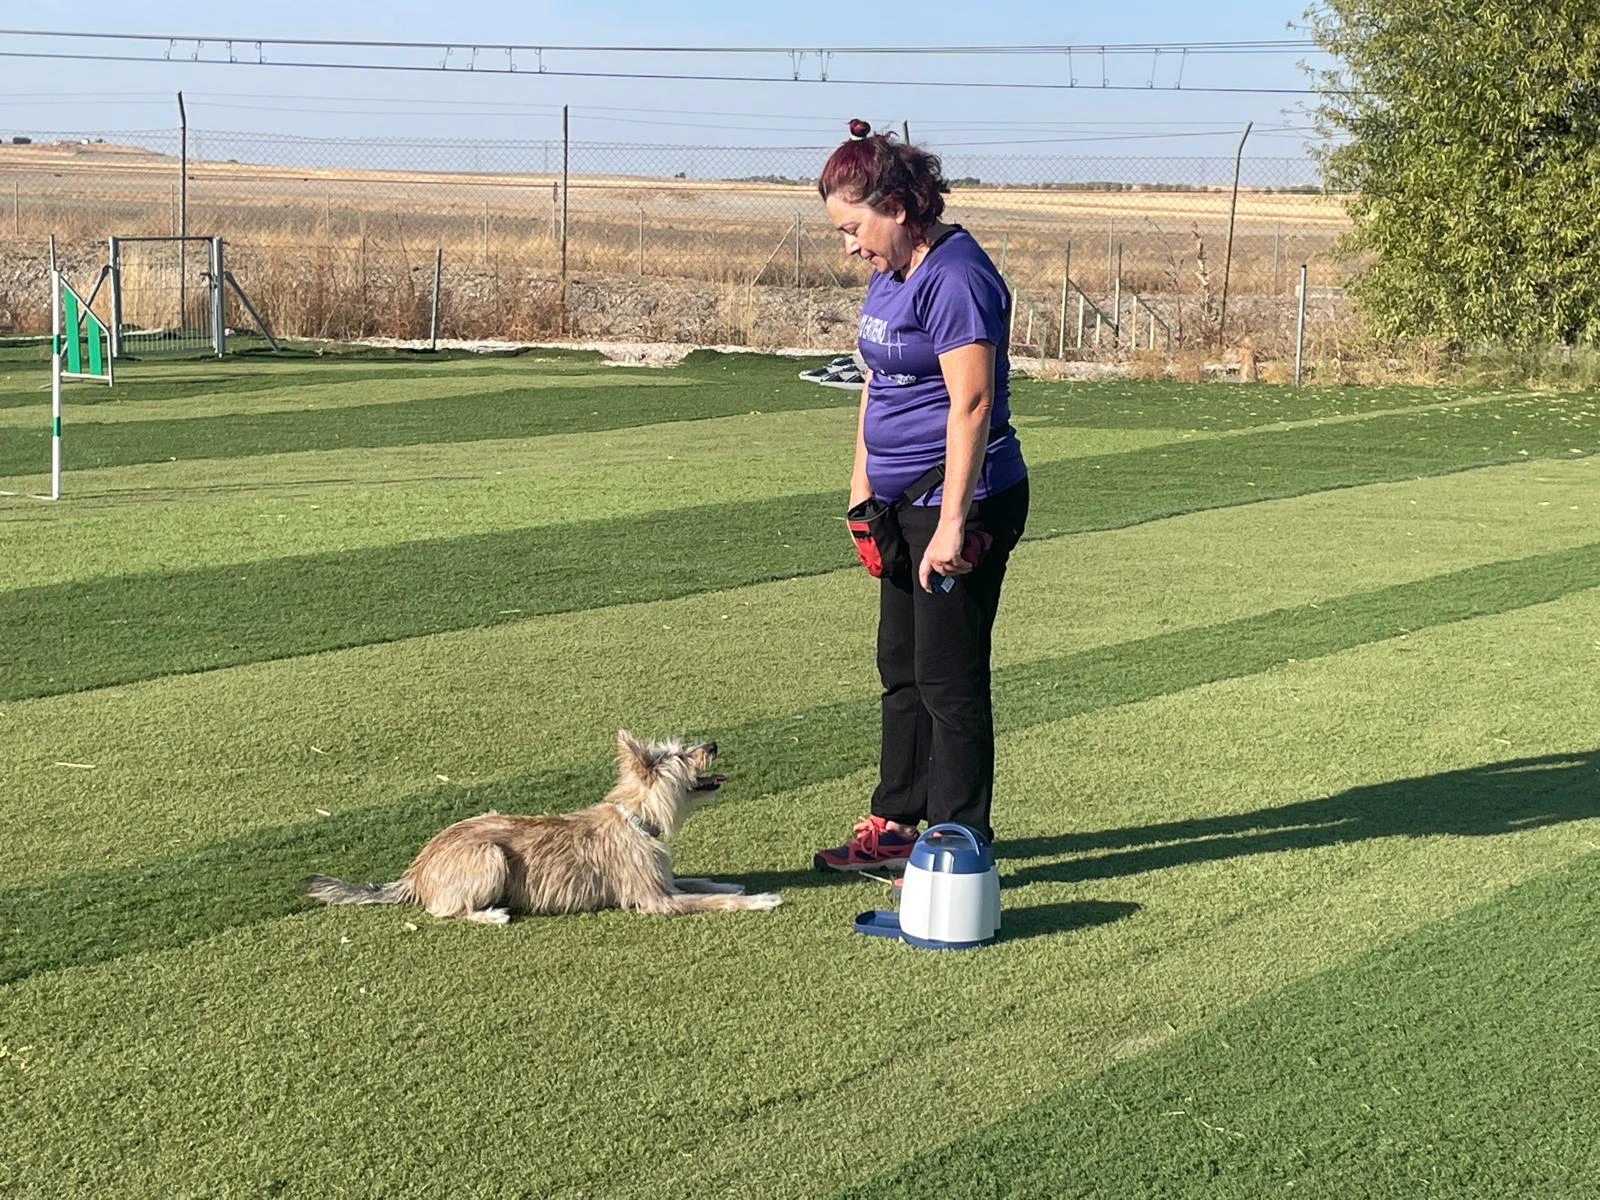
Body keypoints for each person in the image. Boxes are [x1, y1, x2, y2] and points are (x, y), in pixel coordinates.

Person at [813, 119, 1029, 872]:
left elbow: (970, 405)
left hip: (962, 500)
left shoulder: (958, 276)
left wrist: (953, 524)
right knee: (900, 664)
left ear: (897, 207)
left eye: (853, 227)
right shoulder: (892, 271)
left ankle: (961, 835)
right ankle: (898, 822)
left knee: (947, 674)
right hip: (899, 502)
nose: (849, 246)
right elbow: (877, 381)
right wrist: (861, 489)